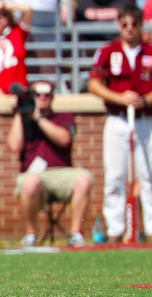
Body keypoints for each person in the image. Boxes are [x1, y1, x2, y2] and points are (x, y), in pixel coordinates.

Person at [88, 6, 152, 243]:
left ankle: (149, 228)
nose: (130, 30)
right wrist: (121, 97)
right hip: (117, 119)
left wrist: (143, 100)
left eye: (134, 25)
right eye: (125, 25)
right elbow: (94, 84)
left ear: (140, 25)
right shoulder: (108, 51)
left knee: (148, 175)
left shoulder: (149, 51)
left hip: (146, 119)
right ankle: (115, 229)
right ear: (119, 26)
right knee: (115, 175)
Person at [6, 80, 93, 247]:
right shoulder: (23, 120)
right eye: (37, 94)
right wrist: (19, 113)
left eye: (47, 94)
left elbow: (64, 139)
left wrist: (39, 119)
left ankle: (75, 233)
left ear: (53, 97)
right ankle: (30, 234)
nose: (42, 97)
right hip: (33, 175)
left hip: (62, 173)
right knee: (30, 182)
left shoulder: (63, 117)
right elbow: (14, 146)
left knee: (84, 178)